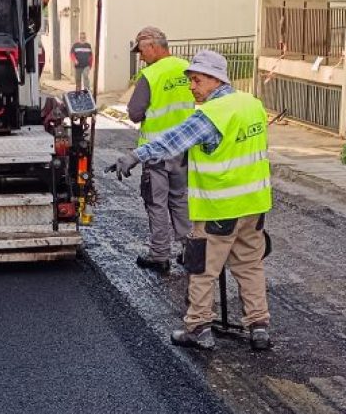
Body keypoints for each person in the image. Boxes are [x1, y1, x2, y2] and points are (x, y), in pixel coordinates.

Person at [110, 50, 272, 353]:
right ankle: (259, 326)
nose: (192, 87)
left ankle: (198, 327)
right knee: (250, 266)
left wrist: (134, 156)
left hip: (219, 210)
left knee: (201, 269)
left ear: (215, 79)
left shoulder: (213, 113)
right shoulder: (253, 105)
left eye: (197, 80)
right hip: (255, 205)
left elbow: (172, 140)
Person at [126, 26, 194, 273]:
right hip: (183, 150)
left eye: (141, 51)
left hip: (156, 152)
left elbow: (134, 113)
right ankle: (189, 251)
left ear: (153, 46)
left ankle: (159, 255)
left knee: (156, 203)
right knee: (179, 199)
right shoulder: (187, 68)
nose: (141, 57)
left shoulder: (151, 75)